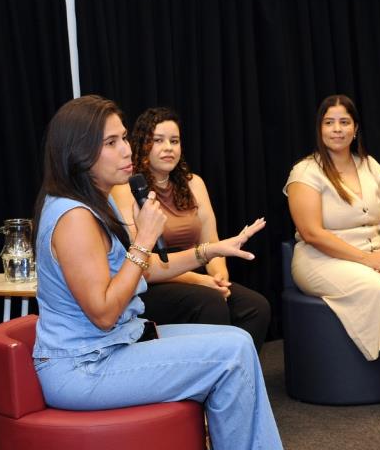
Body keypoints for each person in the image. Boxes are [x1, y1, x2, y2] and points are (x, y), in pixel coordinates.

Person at [32, 95, 293, 450]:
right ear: (79, 152)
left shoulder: (98, 201)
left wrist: (211, 249)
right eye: (111, 142)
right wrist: (144, 239)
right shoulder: (73, 217)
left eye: (121, 139)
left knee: (237, 344)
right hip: (85, 366)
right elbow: (102, 311)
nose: (126, 150)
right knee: (230, 350)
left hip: (117, 346)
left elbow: (148, 269)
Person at [284, 95, 380, 417]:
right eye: (330, 122)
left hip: (379, 251)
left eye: (344, 122)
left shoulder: (371, 166)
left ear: (355, 128)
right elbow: (312, 232)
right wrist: (367, 260)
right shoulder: (305, 171)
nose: (337, 129)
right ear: (320, 129)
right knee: (377, 289)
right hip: (322, 257)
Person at [111, 107, 271, 349]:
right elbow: (142, 263)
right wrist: (199, 281)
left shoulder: (194, 183)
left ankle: (238, 378)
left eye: (174, 141)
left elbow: (211, 241)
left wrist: (219, 277)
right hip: (151, 283)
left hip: (197, 277)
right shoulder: (126, 189)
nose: (168, 147)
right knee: (209, 302)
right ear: (142, 145)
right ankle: (207, 381)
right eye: (158, 141)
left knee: (256, 306)